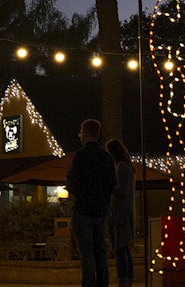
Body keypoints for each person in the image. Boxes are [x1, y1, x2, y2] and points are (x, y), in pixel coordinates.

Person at [66, 118, 116, 287]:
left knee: (86, 252)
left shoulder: (80, 156)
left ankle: (89, 284)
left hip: (83, 210)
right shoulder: (106, 157)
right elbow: (111, 184)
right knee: (100, 250)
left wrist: (77, 193)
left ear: (86, 133)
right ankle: (103, 283)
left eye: (81, 132)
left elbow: (72, 180)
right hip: (101, 210)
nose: (80, 136)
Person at [105, 139, 135, 287]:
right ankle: (127, 281)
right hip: (124, 213)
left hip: (119, 215)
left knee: (120, 250)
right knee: (124, 250)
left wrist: (108, 185)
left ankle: (123, 281)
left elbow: (121, 192)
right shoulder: (127, 167)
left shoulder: (122, 168)